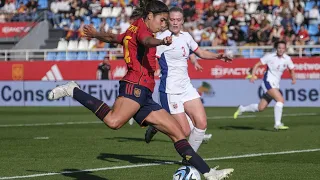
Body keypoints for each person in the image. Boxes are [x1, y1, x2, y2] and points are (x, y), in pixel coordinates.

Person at [47, 1, 233, 179]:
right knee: (113, 122)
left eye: (166, 22)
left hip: (145, 94)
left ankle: (209, 174)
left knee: (178, 133)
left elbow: (114, 38)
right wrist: (161, 42)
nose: (164, 25)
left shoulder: (133, 28)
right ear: (150, 16)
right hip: (134, 85)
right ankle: (73, 90)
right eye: (162, 20)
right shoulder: (144, 31)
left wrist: (96, 35)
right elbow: (146, 40)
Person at [144, 7, 232, 165]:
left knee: (202, 123)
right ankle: (155, 126)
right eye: (172, 19)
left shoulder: (186, 36)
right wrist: (154, 70)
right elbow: (152, 57)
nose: (175, 22)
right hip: (171, 90)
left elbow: (201, 53)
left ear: (183, 21)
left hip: (186, 87)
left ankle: (189, 160)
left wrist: (218, 56)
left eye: (178, 20)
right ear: (167, 21)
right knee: (183, 131)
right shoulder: (163, 38)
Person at [233, 41, 296, 130]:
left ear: (285, 49)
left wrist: (293, 79)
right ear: (276, 48)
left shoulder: (287, 59)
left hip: (276, 84)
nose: (281, 50)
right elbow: (257, 65)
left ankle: (242, 109)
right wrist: (252, 76)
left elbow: (291, 69)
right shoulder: (270, 56)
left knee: (261, 107)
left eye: (282, 48)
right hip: (267, 82)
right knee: (280, 100)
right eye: (279, 48)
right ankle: (277, 124)